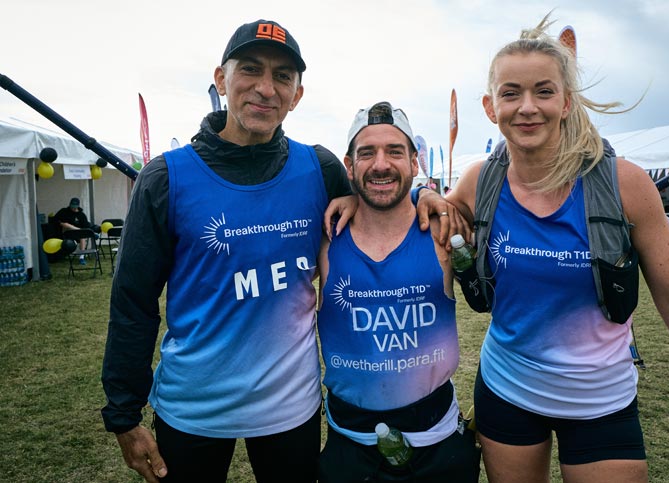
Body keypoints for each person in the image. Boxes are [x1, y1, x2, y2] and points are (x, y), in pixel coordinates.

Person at [101, 19, 457, 483]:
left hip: (292, 409)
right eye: (250, 69)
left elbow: (381, 192)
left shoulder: (319, 167)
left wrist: (424, 196)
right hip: (193, 409)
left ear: (297, 95)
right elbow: (133, 302)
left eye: (283, 77)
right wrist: (124, 413)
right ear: (220, 78)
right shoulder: (166, 178)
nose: (265, 88)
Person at [445, 15, 669, 483]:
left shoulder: (623, 183)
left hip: (601, 404)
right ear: (490, 107)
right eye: (511, 93)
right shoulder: (479, 181)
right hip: (506, 393)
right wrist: (426, 197)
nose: (527, 107)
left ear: (567, 102)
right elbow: (429, 220)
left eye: (544, 91)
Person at [316, 102, 480, 483]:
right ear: (349, 166)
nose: (381, 164)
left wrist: (428, 195)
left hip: (438, 443)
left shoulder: (443, 231)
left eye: (394, 151)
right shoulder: (324, 238)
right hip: (350, 443)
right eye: (367, 152)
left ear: (415, 161)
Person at [54, 197, 94, 264]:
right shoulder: (64, 211)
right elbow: (56, 220)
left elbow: (86, 226)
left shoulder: (81, 215)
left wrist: (80, 230)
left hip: (78, 234)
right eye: (72, 206)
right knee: (65, 224)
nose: (73, 208)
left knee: (82, 235)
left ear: (78, 206)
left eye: (75, 207)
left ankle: (81, 257)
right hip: (67, 233)